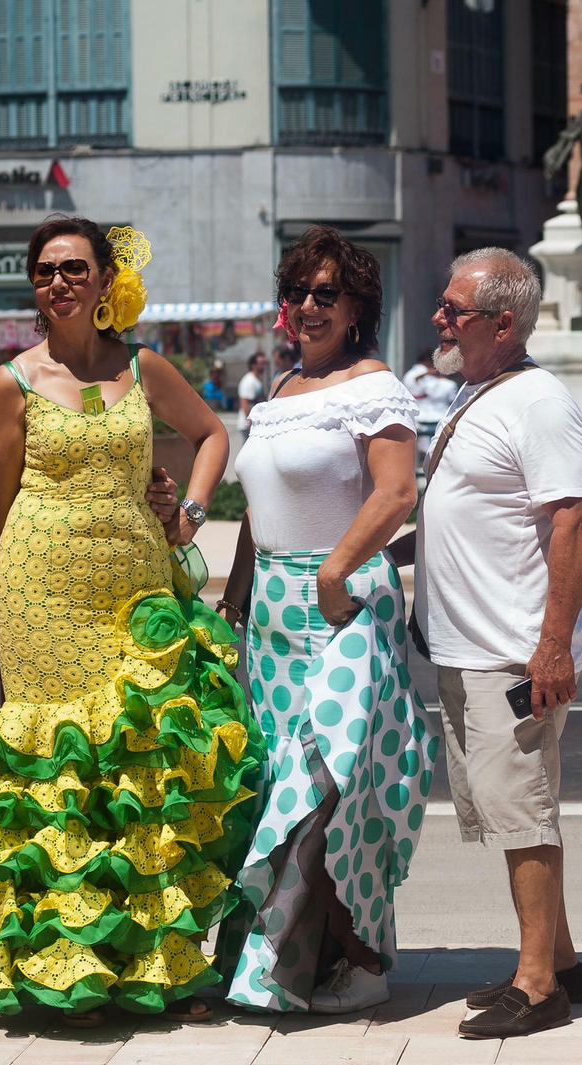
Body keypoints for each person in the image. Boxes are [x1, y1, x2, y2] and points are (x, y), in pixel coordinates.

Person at [0, 216, 263, 1026]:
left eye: (75, 269)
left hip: (136, 588)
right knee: (62, 773)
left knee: (142, 767)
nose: (60, 283)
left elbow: (213, 434)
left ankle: (155, 965)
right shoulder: (12, 381)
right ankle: (66, 969)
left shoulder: (145, 364)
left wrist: (187, 509)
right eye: (46, 272)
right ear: (34, 286)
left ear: (104, 278)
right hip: (41, 590)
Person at [219, 224, 436, 1015]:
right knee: (287, 778)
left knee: (329, 778)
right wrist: (237, 597)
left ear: (356, 309)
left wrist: (338, 568)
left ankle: (350, 956)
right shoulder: (276, 393)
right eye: (297, 293)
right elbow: (257, 511)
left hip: (345, 602)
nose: (307, 306)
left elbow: (395, 493)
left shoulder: (375, 385)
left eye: (326, 294)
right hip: (272, 612)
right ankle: (312, 958)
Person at [402, 247, 582, 1040]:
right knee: (515, 810)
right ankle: (564, 958)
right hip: (467, 648)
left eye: (455, 308)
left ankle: (540, 983)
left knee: (522, 814)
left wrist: (551, 647)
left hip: (511, 653)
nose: (439, 319)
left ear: (504, 323)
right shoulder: (482, 393)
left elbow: (573, 521)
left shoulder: (541, 401)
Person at [403, 347, 457, 463]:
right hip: (431, 415)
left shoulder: (408, 375)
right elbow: (436, 393)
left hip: (415, 416)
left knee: (420, 451)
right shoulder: (428, 376)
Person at [238, 352, 266, 441]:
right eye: (261, 363)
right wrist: (249, 420)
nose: (263, 366)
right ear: (253, 365)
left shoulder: (256, 380)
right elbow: (244, 401)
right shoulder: (249, 381)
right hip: (248, 425)